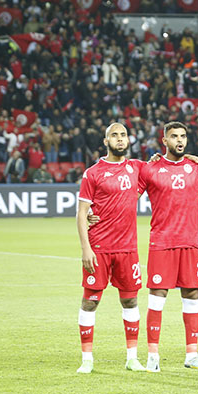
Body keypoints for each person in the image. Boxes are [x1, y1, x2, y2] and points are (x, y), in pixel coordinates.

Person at [138, 121, 198, 371]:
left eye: (183, 136)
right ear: (164, 141)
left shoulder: (195, 168)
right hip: (162, 242)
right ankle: (153, 356)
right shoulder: (150, 169)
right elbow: (129, 198)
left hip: (190, 243)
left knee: (192, 295)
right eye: (174, 136)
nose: (179, 140)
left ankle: (192, 356)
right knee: (158, 297)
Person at [75, 123, 145, 373]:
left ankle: (132, 358)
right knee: (90, 302)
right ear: (106, 141)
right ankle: (87, 359)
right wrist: (86, 249)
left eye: (123, 135)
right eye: (114, 135)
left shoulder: (137, 168)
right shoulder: (93, 173)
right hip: (99, 249)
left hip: (128, 250)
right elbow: (82, 214)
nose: (119, 139)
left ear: (128, 140)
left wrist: (193, 156)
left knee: (130, 300)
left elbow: (169, 164)